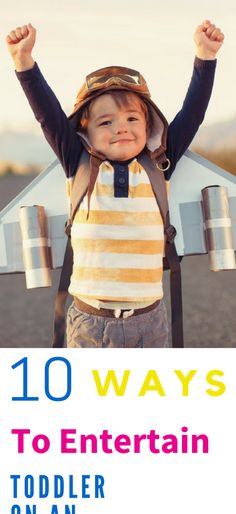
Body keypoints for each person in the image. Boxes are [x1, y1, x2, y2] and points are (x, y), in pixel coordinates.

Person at [6, 20, 224, 348]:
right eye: (106, 121)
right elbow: (47, 116)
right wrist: (24, 63)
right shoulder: (78, 164)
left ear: (148, 125)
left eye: (132, 119)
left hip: (150, 320)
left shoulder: (157, 165)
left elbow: (192, 115)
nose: (121, 128)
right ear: (85, 133)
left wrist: (205, 58)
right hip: (90, 321)